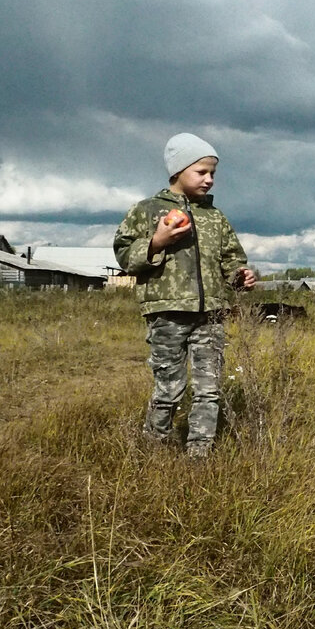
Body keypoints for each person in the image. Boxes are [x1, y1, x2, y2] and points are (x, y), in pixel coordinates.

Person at [113, 133, 258, 458]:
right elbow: (123, 254)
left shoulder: (215, 217)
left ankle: (198, 456)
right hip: (167, 313)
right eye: (201, 172)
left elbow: (232, 259)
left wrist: (241, 276)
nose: (209, 180)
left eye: (213, 174)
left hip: (211, 315)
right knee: (169, 387)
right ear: (178, 171)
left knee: (209, 389)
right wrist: (157, 241)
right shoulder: (147, 210)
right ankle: (155, 448)